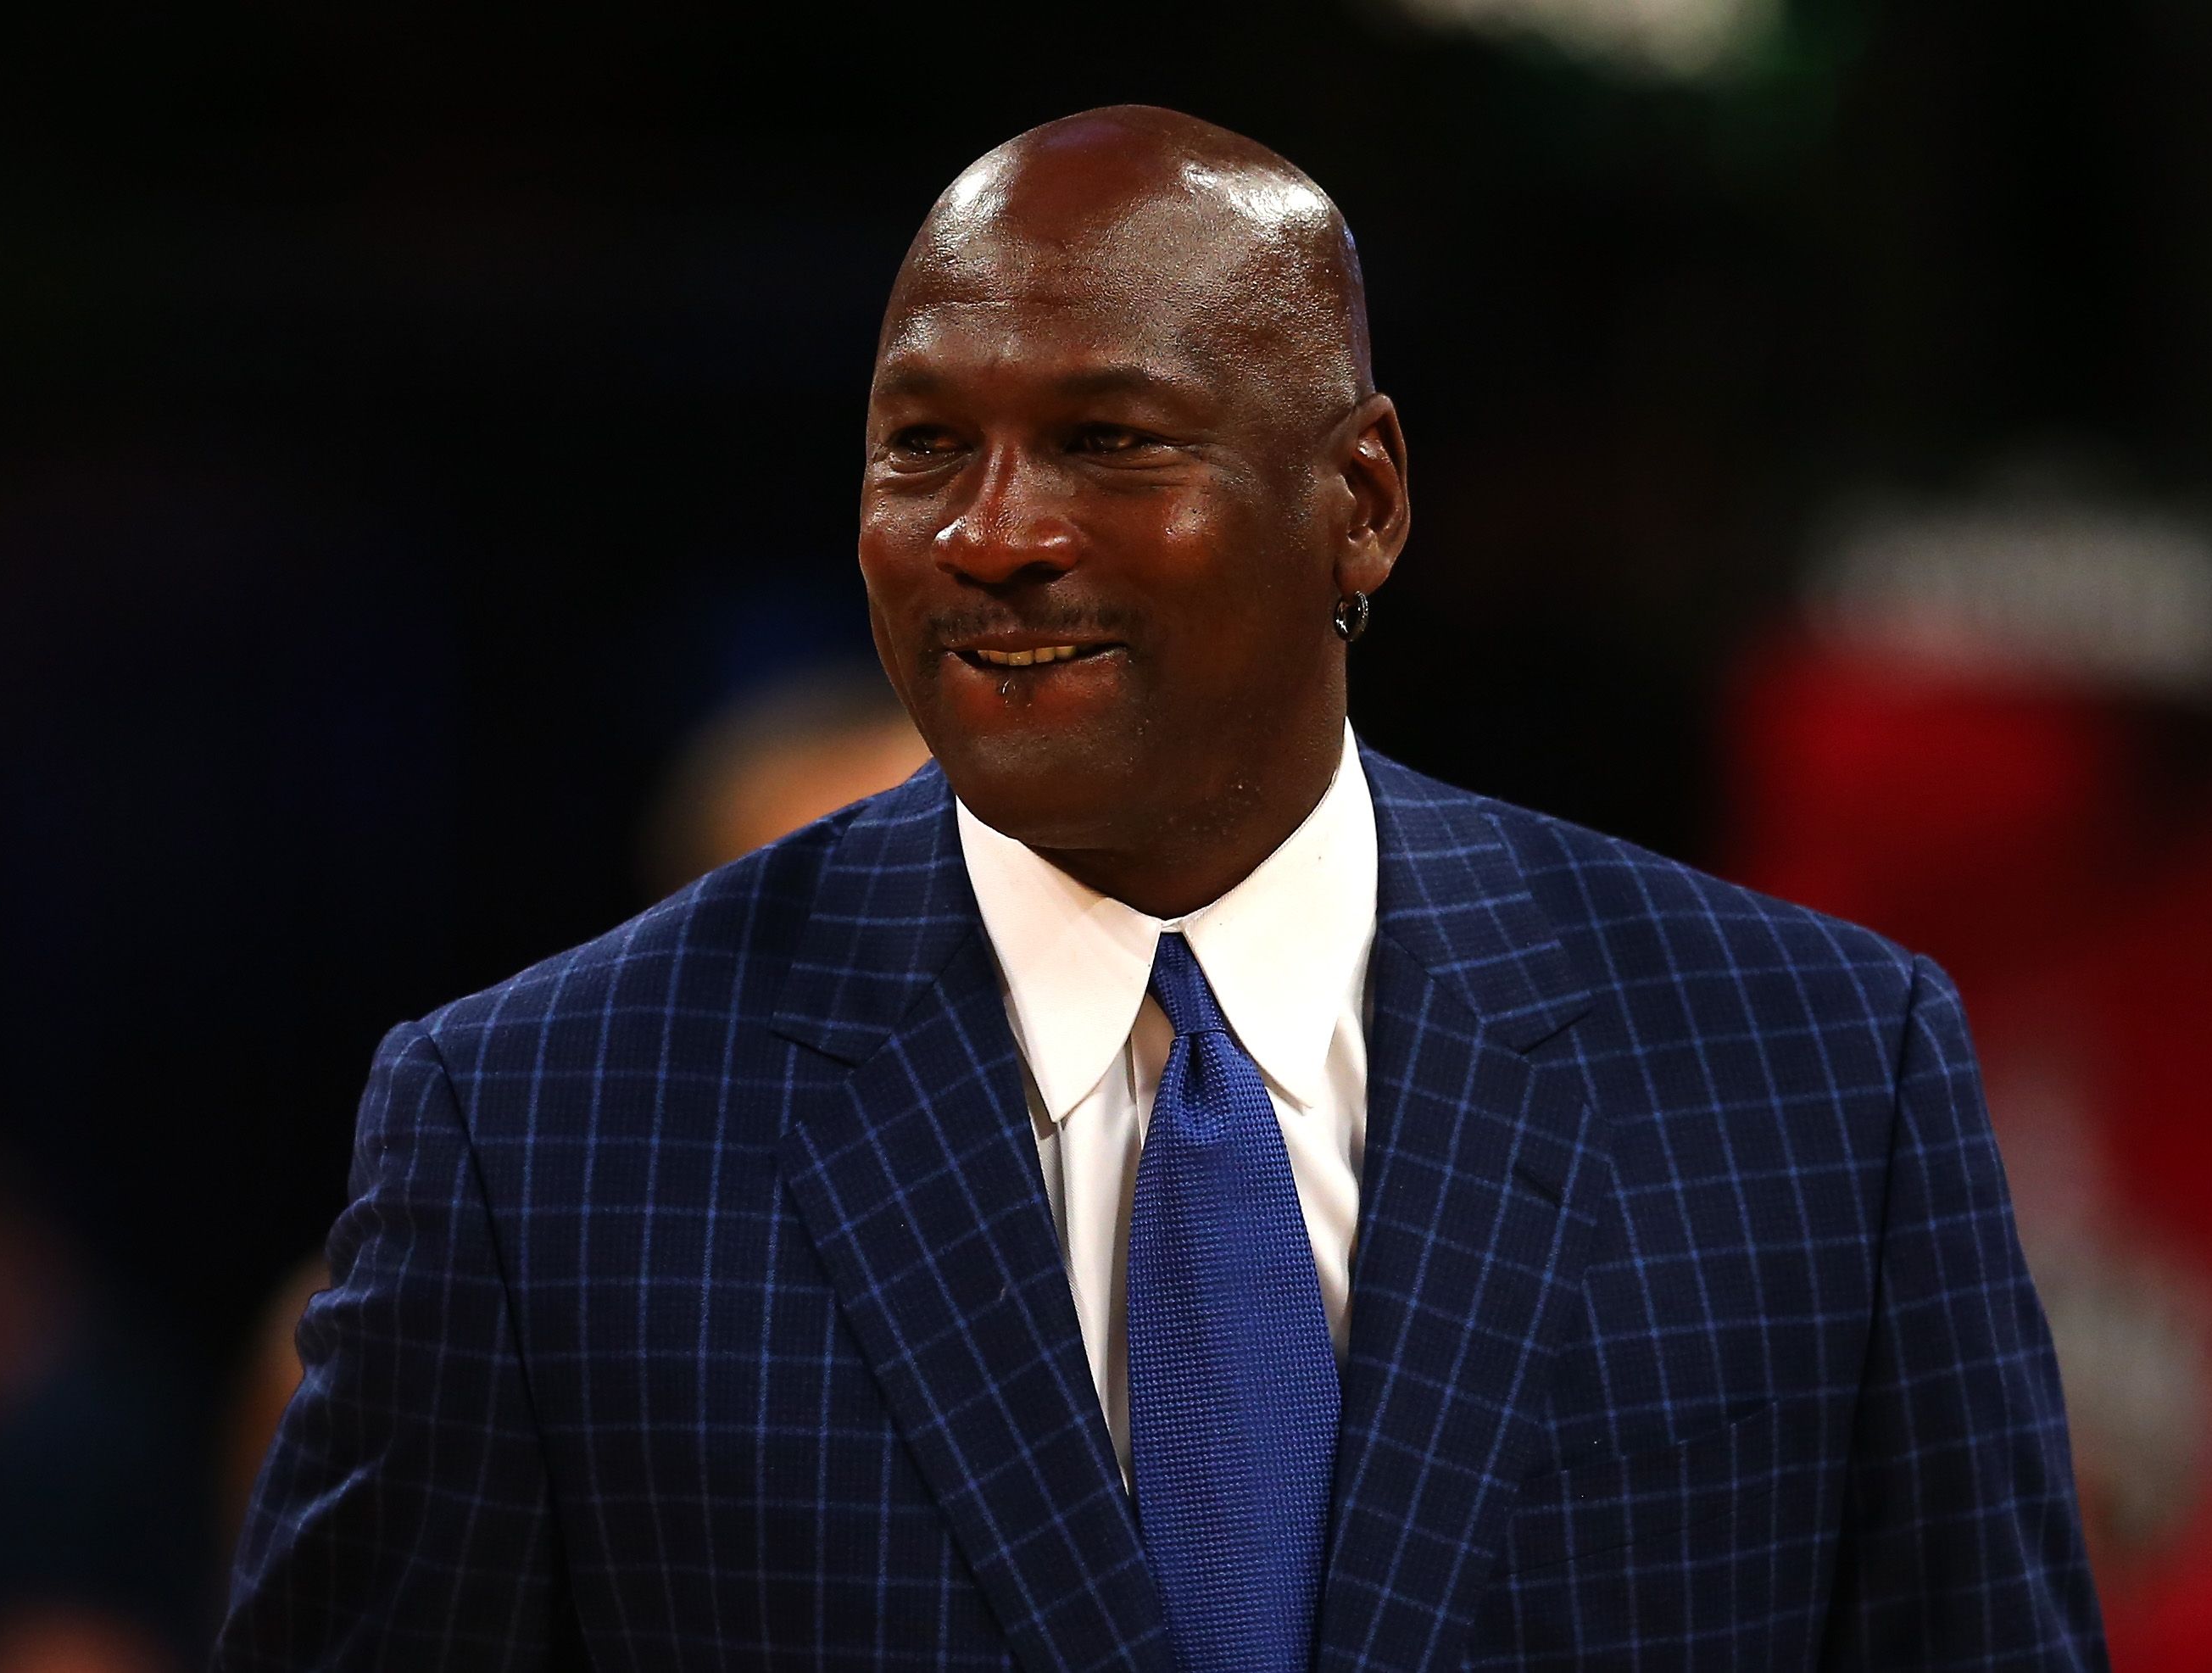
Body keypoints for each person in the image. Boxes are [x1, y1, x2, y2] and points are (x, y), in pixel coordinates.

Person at [218, 106, 2105, 1670]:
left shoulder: (1812, 1076)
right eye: (923, 448)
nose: (994, 535)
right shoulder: (539, 1129)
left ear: (1359, 498)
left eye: (1108, 443)